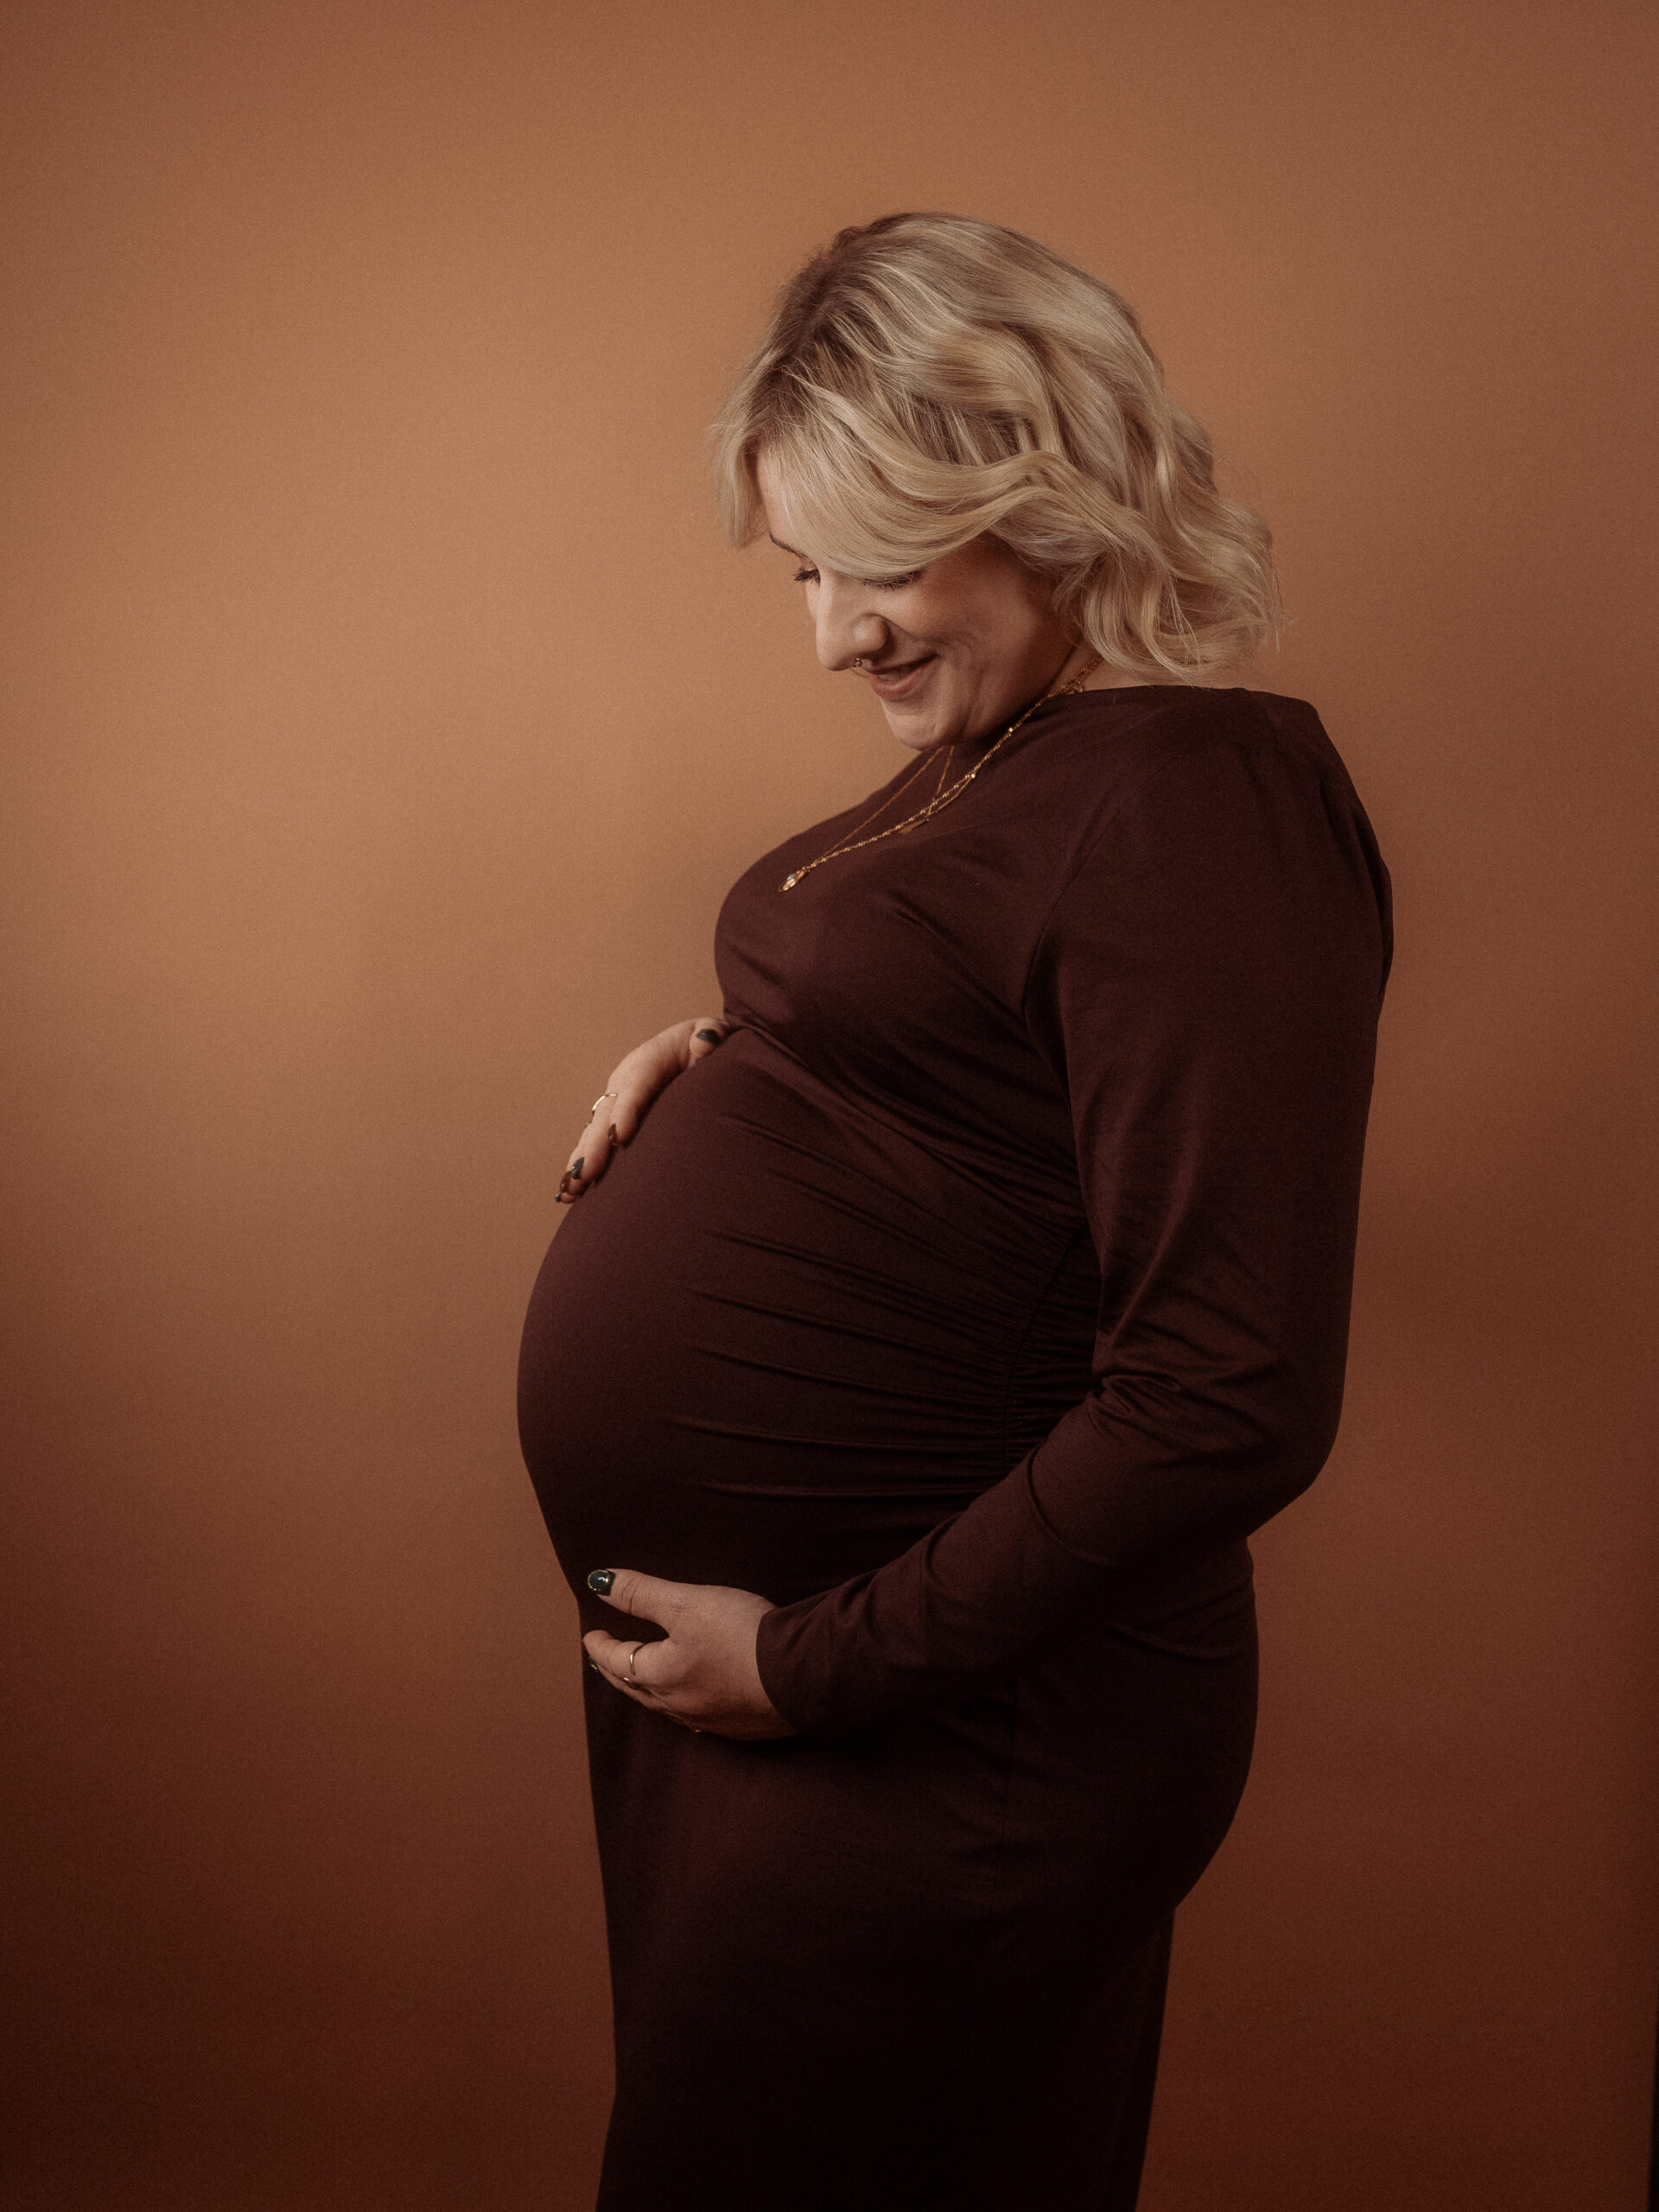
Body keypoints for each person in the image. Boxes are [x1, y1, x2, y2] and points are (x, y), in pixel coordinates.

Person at [517, 212, 1391, 2211]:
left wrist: (818, 1663)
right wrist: (755, 1056)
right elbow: (1009, 1075)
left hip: (941, 1727)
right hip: (793, 1710)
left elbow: (1226, 1389)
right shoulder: (1020, 767)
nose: (836, 634)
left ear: (1052, 487)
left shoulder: (1199, 794)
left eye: (883, 555)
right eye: (807, 569)